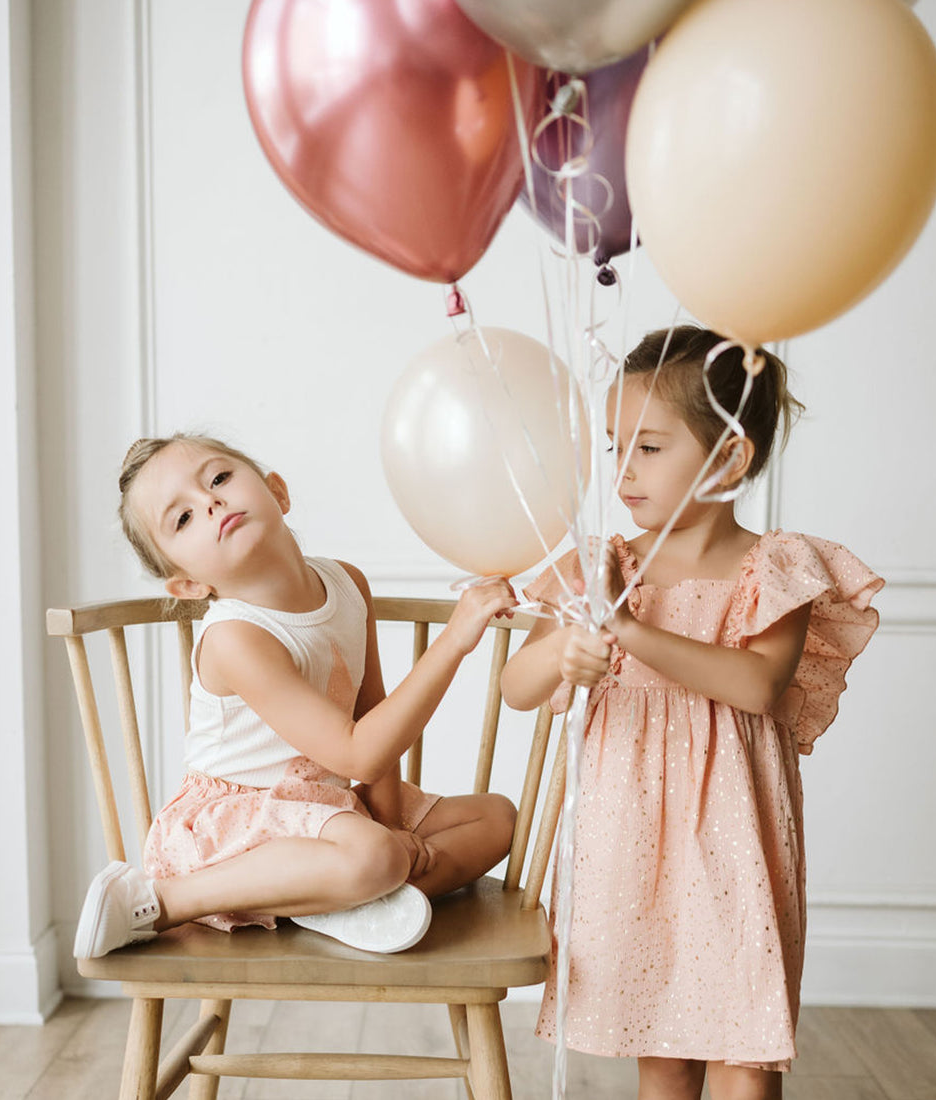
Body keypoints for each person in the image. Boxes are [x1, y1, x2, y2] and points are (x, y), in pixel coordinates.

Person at [501, 326, 883, 1100]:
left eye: (649, 447)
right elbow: (518, 685)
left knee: (745, 1042)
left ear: (730, 458)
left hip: (738, 834)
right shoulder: (604, 562)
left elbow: (755, 687)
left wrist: (629, 629)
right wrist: (563, 653)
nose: (623, 471)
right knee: (665, 1043)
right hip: (632, 831)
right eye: (615, 447)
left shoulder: (775, 566)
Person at [74, 433, 518, 959]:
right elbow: (357, 751)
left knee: (496, 819)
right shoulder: (236, 636)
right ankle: (165, 900)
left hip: (327, 806)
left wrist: (393, 823)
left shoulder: (347, 582)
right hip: (240, 826)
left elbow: (372, 716)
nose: (211, 502)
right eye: (184, 518)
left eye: (218, 479)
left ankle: (344, 901)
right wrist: (454, 641)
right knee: (376, 857)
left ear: (277, 493)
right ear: (188, 585)